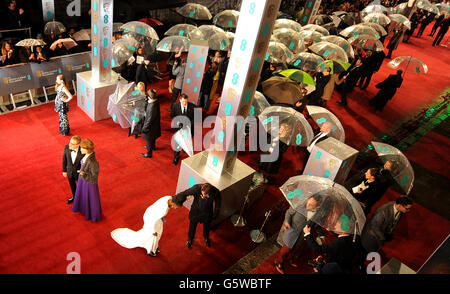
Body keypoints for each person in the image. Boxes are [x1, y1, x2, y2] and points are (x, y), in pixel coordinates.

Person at [110, 196, 181, 257]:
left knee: (158, 232)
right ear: (173, 203)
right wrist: (153, 231)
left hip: (153, 216)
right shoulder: (163, 210)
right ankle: (151, 250)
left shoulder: (169, 197)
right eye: (175, 207)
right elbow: (153, 220)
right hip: (151, 220)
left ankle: (154, 247)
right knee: (153, 235)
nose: (174, 208)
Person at [359, 196, 413, 270]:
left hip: (379, 236)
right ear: (400, 205)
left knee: (368, 252)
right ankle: (359, 264)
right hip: (371, 237)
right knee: (364, 253)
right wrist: (384, 237)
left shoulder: (399, 210)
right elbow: (374, 228)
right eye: (407, 208)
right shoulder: (383, 211)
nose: (408, 211)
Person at [274, 195, 324, 274]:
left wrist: (321, 235)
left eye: (311, 205)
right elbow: (288, 213)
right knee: (285, 250)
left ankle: (290, 259)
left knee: (295, 249)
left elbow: (317, 225)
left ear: (317, 207)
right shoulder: (299, 204)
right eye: (308, 202)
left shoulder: (318, 214)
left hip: (302, 236)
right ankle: (278, 262)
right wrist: (287, 222)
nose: (307, 205)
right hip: (291, 232)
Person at [173, 183, 221, 248]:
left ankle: (206, 238)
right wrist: (175, 200)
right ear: (201, 190)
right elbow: (185, 193)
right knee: (192, 227)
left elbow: (218, 204)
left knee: (207, 227)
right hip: (195, 212)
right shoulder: (196, 188)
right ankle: (190, 239)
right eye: (203, 193)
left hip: (207, 213)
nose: (204, 195)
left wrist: (215, 214)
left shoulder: (216, 192)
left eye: (206, 195)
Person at [72, 139, 102, 222]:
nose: (80, 149)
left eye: (82, 148)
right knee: (83, 195)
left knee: (92, 199)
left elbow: (94, 176)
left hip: (90, 183)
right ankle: (84, 209)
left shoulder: (93, 162)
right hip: (83, 180)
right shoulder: (86, 155)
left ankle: (94, 215)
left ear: (88, 149)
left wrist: (83, 173)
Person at [171, 93, 195, 166]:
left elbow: (195, 119)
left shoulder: (193, 107)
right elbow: (172, 116)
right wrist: (177, 122)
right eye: (183, 101)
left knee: (187, 142)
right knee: (177, 145)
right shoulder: (175, 105)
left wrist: (188, 124)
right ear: (180, 100)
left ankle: (185, 149)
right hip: (178, 130)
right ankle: (176, 157)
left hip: (188, 130)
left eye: (186, 101)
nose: (184, 103)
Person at [62, 135, 83, 204]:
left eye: (72, 144)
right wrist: (64, 170)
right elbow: (64, 159)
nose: (69, 144)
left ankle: (83, 198)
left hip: (79, 173)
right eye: (70, 142)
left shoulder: (83, 151)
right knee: (72, 185)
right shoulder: (67, 147)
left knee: (81, 186)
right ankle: (74, 197)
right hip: (69, 171)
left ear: (78, 145)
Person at [141, 89, 161, 158]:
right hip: (155, 126)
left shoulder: (152, 106)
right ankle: (153, 147)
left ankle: (149, 153)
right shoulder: (155, 101)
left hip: (150, 127)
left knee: (148, 139)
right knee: (153, 137)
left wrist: (144, 128)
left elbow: (149, 120)